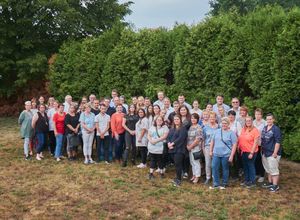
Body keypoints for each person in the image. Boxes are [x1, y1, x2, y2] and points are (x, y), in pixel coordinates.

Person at [209, 117, 237, 189]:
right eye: (223, 123)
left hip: (226, 154)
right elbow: (212, 141)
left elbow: (234, 145)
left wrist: (231, 156)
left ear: (228, 124)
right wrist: (211, 151)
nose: (224, 125)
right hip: (216, 153)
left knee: (225, 169)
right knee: (214, 167)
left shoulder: (231, 133)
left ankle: (225, 183)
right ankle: (216, 183)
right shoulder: (217, 131)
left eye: (225, 123)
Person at [261, 113, 282, 192]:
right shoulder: (265, 128)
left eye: (270, 119)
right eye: (267, 119)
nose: (269, 120)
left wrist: (275, 152)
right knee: (268, 169)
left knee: (274, 169)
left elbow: (278, 142)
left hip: (273, 153)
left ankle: (275, 185)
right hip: (265, 152)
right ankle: (270, 183)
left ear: (273, 120)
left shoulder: (276, 129)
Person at [238, 116, 260, 188]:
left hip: (251, 152)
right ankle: (247, 180)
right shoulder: (244, 129)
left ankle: (252, 182)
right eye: (246, 121)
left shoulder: (255, 130)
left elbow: (255, 143)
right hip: (243, 151)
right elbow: (240, 138)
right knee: (245, 166)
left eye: (249, 121)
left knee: (250, 166)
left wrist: (251, 153)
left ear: (252, 121)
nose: (248, 122)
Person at [167, 115, 188, 187]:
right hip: (172, 149)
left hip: (179, 149)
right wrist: (168, 143)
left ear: (180, 120)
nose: (176, 120)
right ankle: (177, 178)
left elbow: (181, 138)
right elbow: (168, 137)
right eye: (175, 119)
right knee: (176, 164)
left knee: (178, 164)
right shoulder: (172, 128)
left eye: (177, 119)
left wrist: (173, 143)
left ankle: (179, 180)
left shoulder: (183, 128)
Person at [202, 111, 219, 184]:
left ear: (215, 118)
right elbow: (203, 139)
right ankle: (208, 177)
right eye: (210, 117)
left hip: (217, 147)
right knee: (208, 163)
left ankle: (214, 177)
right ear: (209, 118)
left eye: (213, 117)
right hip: (207, 147)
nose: (212, 118)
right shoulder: (205, 127)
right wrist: (203, 148)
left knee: (215, 164)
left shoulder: (219, 127)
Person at [187, 113, 203, 184]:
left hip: (196, 147)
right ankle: (194, 174)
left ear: (197, 119)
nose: (193, 119)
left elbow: (198, 139)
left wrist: (191, 146)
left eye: (194, 118)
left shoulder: (198, 127)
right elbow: (188, 138)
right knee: (192, 162)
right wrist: (188, 146)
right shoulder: (191, 127)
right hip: (190, 148)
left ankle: (197, 176)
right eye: (192, 118)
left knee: (196, 162)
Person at [253, 108, 267, 183]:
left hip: (262, 144)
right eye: (256, 114)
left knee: (262, 160)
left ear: (261, 115)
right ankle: (256, 173)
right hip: (254, 145)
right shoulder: (253, 122)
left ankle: (262, 175)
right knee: (255, 159)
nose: (257, 116)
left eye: (259, 114)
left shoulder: (265, 123)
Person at [178, 105, 192, 179]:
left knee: (186, 156)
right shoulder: (177, 118)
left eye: (184, 110)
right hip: (179, 139)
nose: (183, 111)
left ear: (187, 110)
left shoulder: (189, 119)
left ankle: (186, 171)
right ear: (179, 111)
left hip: (187, 139)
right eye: (181, 110)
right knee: (180, 156)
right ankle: (181, 171)